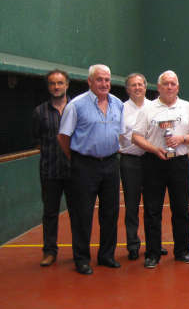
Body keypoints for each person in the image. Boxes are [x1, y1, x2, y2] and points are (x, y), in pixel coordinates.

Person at [57, 64, 124, 275]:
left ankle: (106, 256)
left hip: (112, 164)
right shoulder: (76, 105)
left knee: (110, 213)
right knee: (82, 214)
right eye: (99, 80)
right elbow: (63, 137)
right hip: (84, 165)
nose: (104, 84)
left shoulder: (118, 104)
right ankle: (82, 259)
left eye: (107, 80)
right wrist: (77, 158)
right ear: (89, 81)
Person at [132, 71, 189, 269]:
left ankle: (182, 251)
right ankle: (152, 254)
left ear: (178, 87)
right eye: (165, 84)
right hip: (154, 162)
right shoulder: (148, 109)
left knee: (181, 209)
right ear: (159, 87)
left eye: (173, 84)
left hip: (179, 163)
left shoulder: (187, 107)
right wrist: (154, 149)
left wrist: (182, 139)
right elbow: (136, 137)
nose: (169, 87)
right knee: (152, 210)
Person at [119, 73, 166, 260]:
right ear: (127, 89)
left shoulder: (155, 107)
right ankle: (132, 244)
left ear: (146, 87)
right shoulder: (120, 109)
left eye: (140, 84)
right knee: (131, 205)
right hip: (130, 161)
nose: (137, 88)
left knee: (153, 205)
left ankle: (154, 244)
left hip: (151, 160)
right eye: (133, 85)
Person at [32, 69, 71, 267]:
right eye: (52, 83)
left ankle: (80, 252)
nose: (56, 87)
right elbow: (38, 140)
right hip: (49, 171)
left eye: (60, 83)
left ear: (67, 85)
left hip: (75, 172)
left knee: (78, 213)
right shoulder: (40, 112)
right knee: (50, 213)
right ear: (48, 87)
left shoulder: (77, 108)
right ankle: (49, 252)